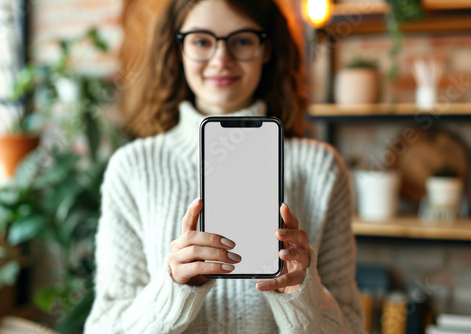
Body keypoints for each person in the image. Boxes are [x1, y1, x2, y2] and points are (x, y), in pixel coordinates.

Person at [84, 0, 366, 333]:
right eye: (201, 41)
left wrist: (302, 295)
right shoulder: (132, 168)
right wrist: (172, 290)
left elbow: (350, 327)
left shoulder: (320, 168)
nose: (221, 59)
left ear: (267, 50)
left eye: (242, 40)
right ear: (178, 50)